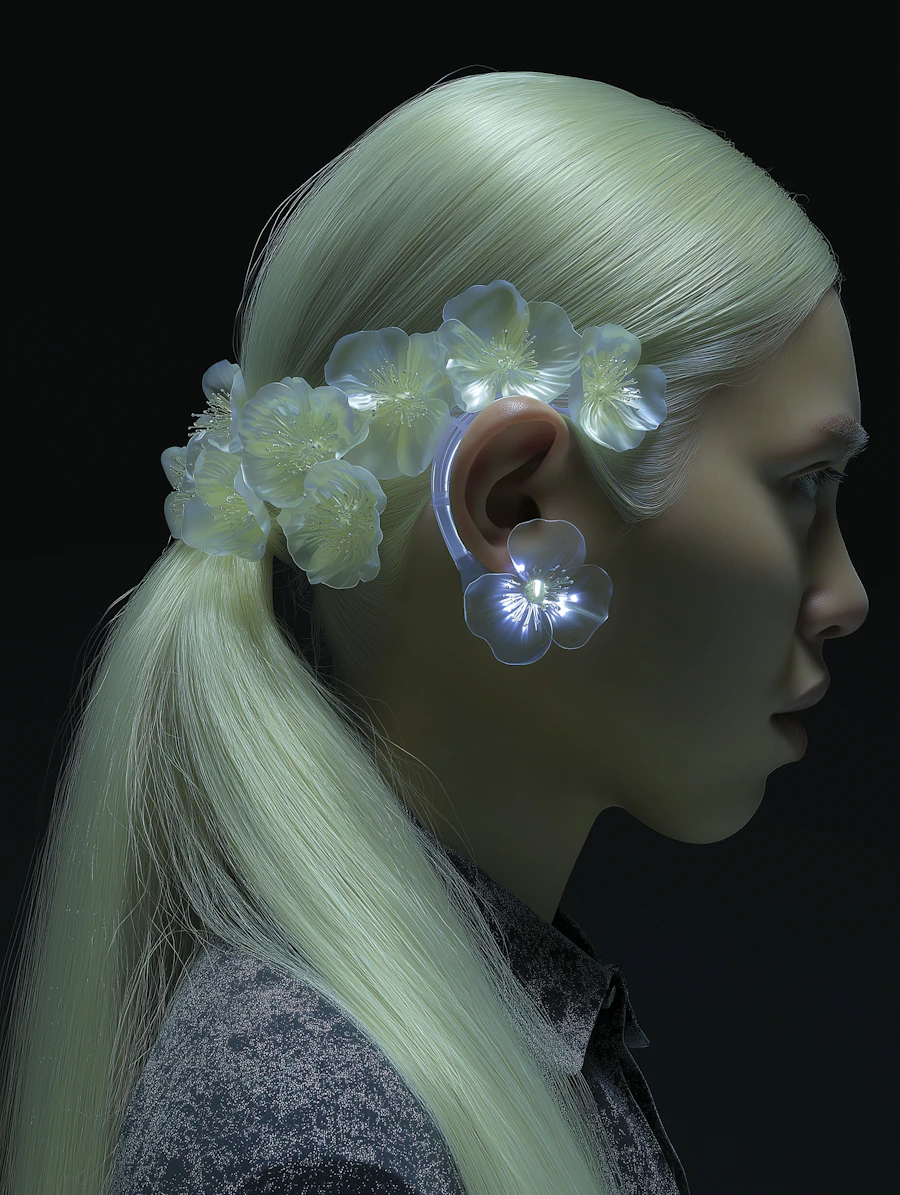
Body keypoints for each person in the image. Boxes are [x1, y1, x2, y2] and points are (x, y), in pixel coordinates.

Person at [0, 68, 866, 1195]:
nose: (845, 594)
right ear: (511, 506)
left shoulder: (441, 1049)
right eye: (804, 483)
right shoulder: (331, 1143)